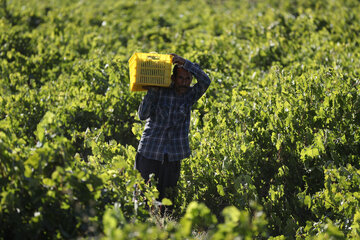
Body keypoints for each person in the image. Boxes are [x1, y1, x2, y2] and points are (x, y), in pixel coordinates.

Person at [134, 53, 211, 212]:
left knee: (167, 199)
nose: (184, 82)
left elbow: (206, 81)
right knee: (143, 196)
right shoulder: (160, 91)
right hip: (150, 150)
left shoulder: (190, 95)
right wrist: (152, 92)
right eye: (181, 78)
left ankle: (164, 228)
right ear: (173, 78)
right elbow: (142, 115)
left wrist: (186, 63)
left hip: (173, 155)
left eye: (187, 79)